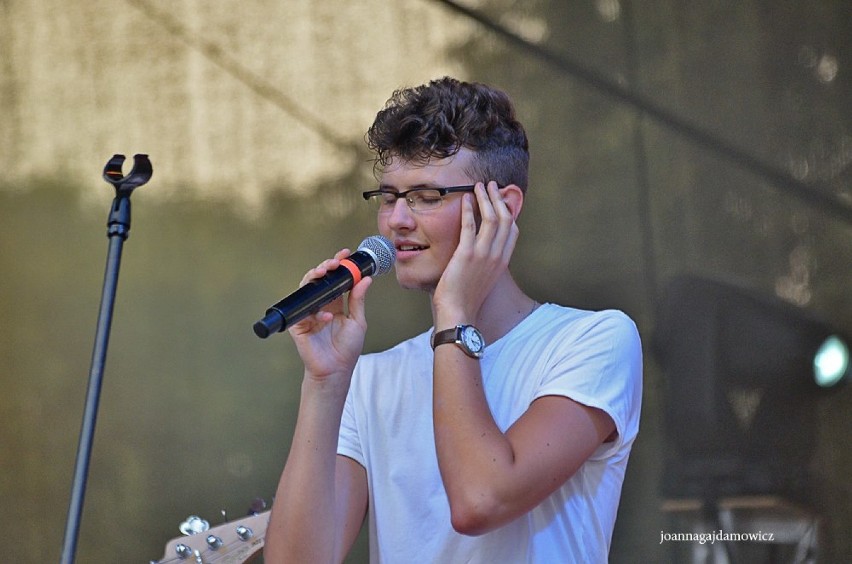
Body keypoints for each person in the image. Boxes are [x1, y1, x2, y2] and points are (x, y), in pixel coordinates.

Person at [264, 77, 643, 563]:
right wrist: (325, 379)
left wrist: (454, 314)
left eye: (425, 196)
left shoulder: (592, 340)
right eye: (388, 197)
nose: (397, 219)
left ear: (501, 208)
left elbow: (480, 501)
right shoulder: (371, 380)